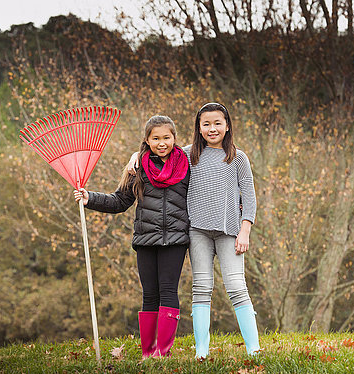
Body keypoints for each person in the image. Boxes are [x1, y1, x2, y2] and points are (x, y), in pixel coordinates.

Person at [127, 103, 260, 358]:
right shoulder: (187, 155)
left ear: (227, 125)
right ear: (198, 128)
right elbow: (158, 152)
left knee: (236, 286)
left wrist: (245, 230)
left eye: (217, 123)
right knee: (201, 287)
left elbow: (250, 197)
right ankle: (201, 350)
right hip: (197, 231)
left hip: (229, 230)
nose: (212, 129)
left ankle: (253, 348)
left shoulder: (238, 158)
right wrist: (135, 155)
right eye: (206, 124)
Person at [73, 115, 190, 358]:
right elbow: (120, 201)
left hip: (175, 240)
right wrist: (89, 198)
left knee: (168, 290)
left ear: (174, 138)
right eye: (155, 138)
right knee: (149, 294)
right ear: (147, 140)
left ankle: (163, 352)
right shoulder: (137, 168)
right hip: (145, 239)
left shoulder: (186, 164)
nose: (161, 143)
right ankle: (148, 352)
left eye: (166, 138)